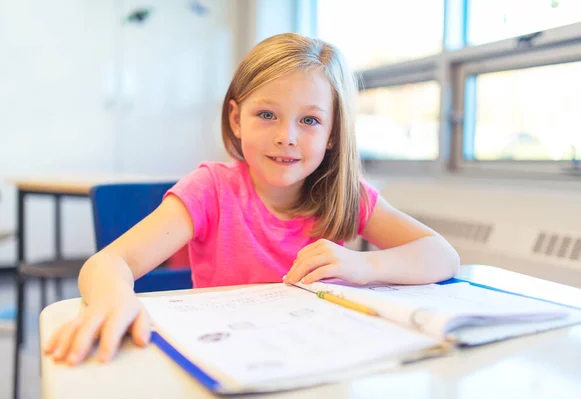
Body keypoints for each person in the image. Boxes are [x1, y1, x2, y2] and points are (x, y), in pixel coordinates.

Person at [44, 33, 459, 366]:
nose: (287, 136)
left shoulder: (347, 197)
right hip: (224, 356)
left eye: (310, 120)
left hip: (316, 359)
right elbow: (108, 262)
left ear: (333, 134)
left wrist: (364, 264)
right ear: (235, 119)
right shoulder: (211, 189)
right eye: (267, 114)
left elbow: (442, 255)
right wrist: (114, 297)